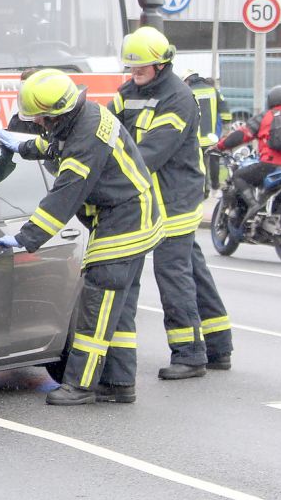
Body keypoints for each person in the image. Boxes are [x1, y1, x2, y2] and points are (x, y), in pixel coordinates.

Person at [0, 69, 162, 405]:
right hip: (136, 215)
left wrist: (27, 237)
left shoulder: (86, 141)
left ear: (56, 113)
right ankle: (118, 382)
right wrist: (25, 146)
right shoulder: (87, 115)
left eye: (41, 118)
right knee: (119, 308)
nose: (38, 123)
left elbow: (65, 194)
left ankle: (80, 386)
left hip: (124, 221)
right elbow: (57, 144)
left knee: (96, 300)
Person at [110, 26, 233, 378]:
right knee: (192, 268)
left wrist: (109, 174)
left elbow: (152, 151)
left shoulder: (178, 97)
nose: (135, 75)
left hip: (175, 198)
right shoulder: (126, 92)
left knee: (172, 273)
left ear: (162, 65)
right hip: (150, 195)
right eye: (132, 69)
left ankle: (190, 355)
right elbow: (106, 126)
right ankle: (218, 345)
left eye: (142, 69)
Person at [214, 84, 281, 225]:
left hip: (271, 165)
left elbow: (243, 134)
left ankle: (253, 204)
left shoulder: (267, 116)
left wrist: (220, 145)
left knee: (239, 175)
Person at [181, 69, 232, 196]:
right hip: (212, 136)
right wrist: (226, 129)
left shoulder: (187, 92)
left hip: (195, 137)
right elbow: (225, 109)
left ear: (188, 80)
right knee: (214, 161)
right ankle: (215, 187)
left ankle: (203, 190)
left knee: (199, 165)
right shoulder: (213, 91)